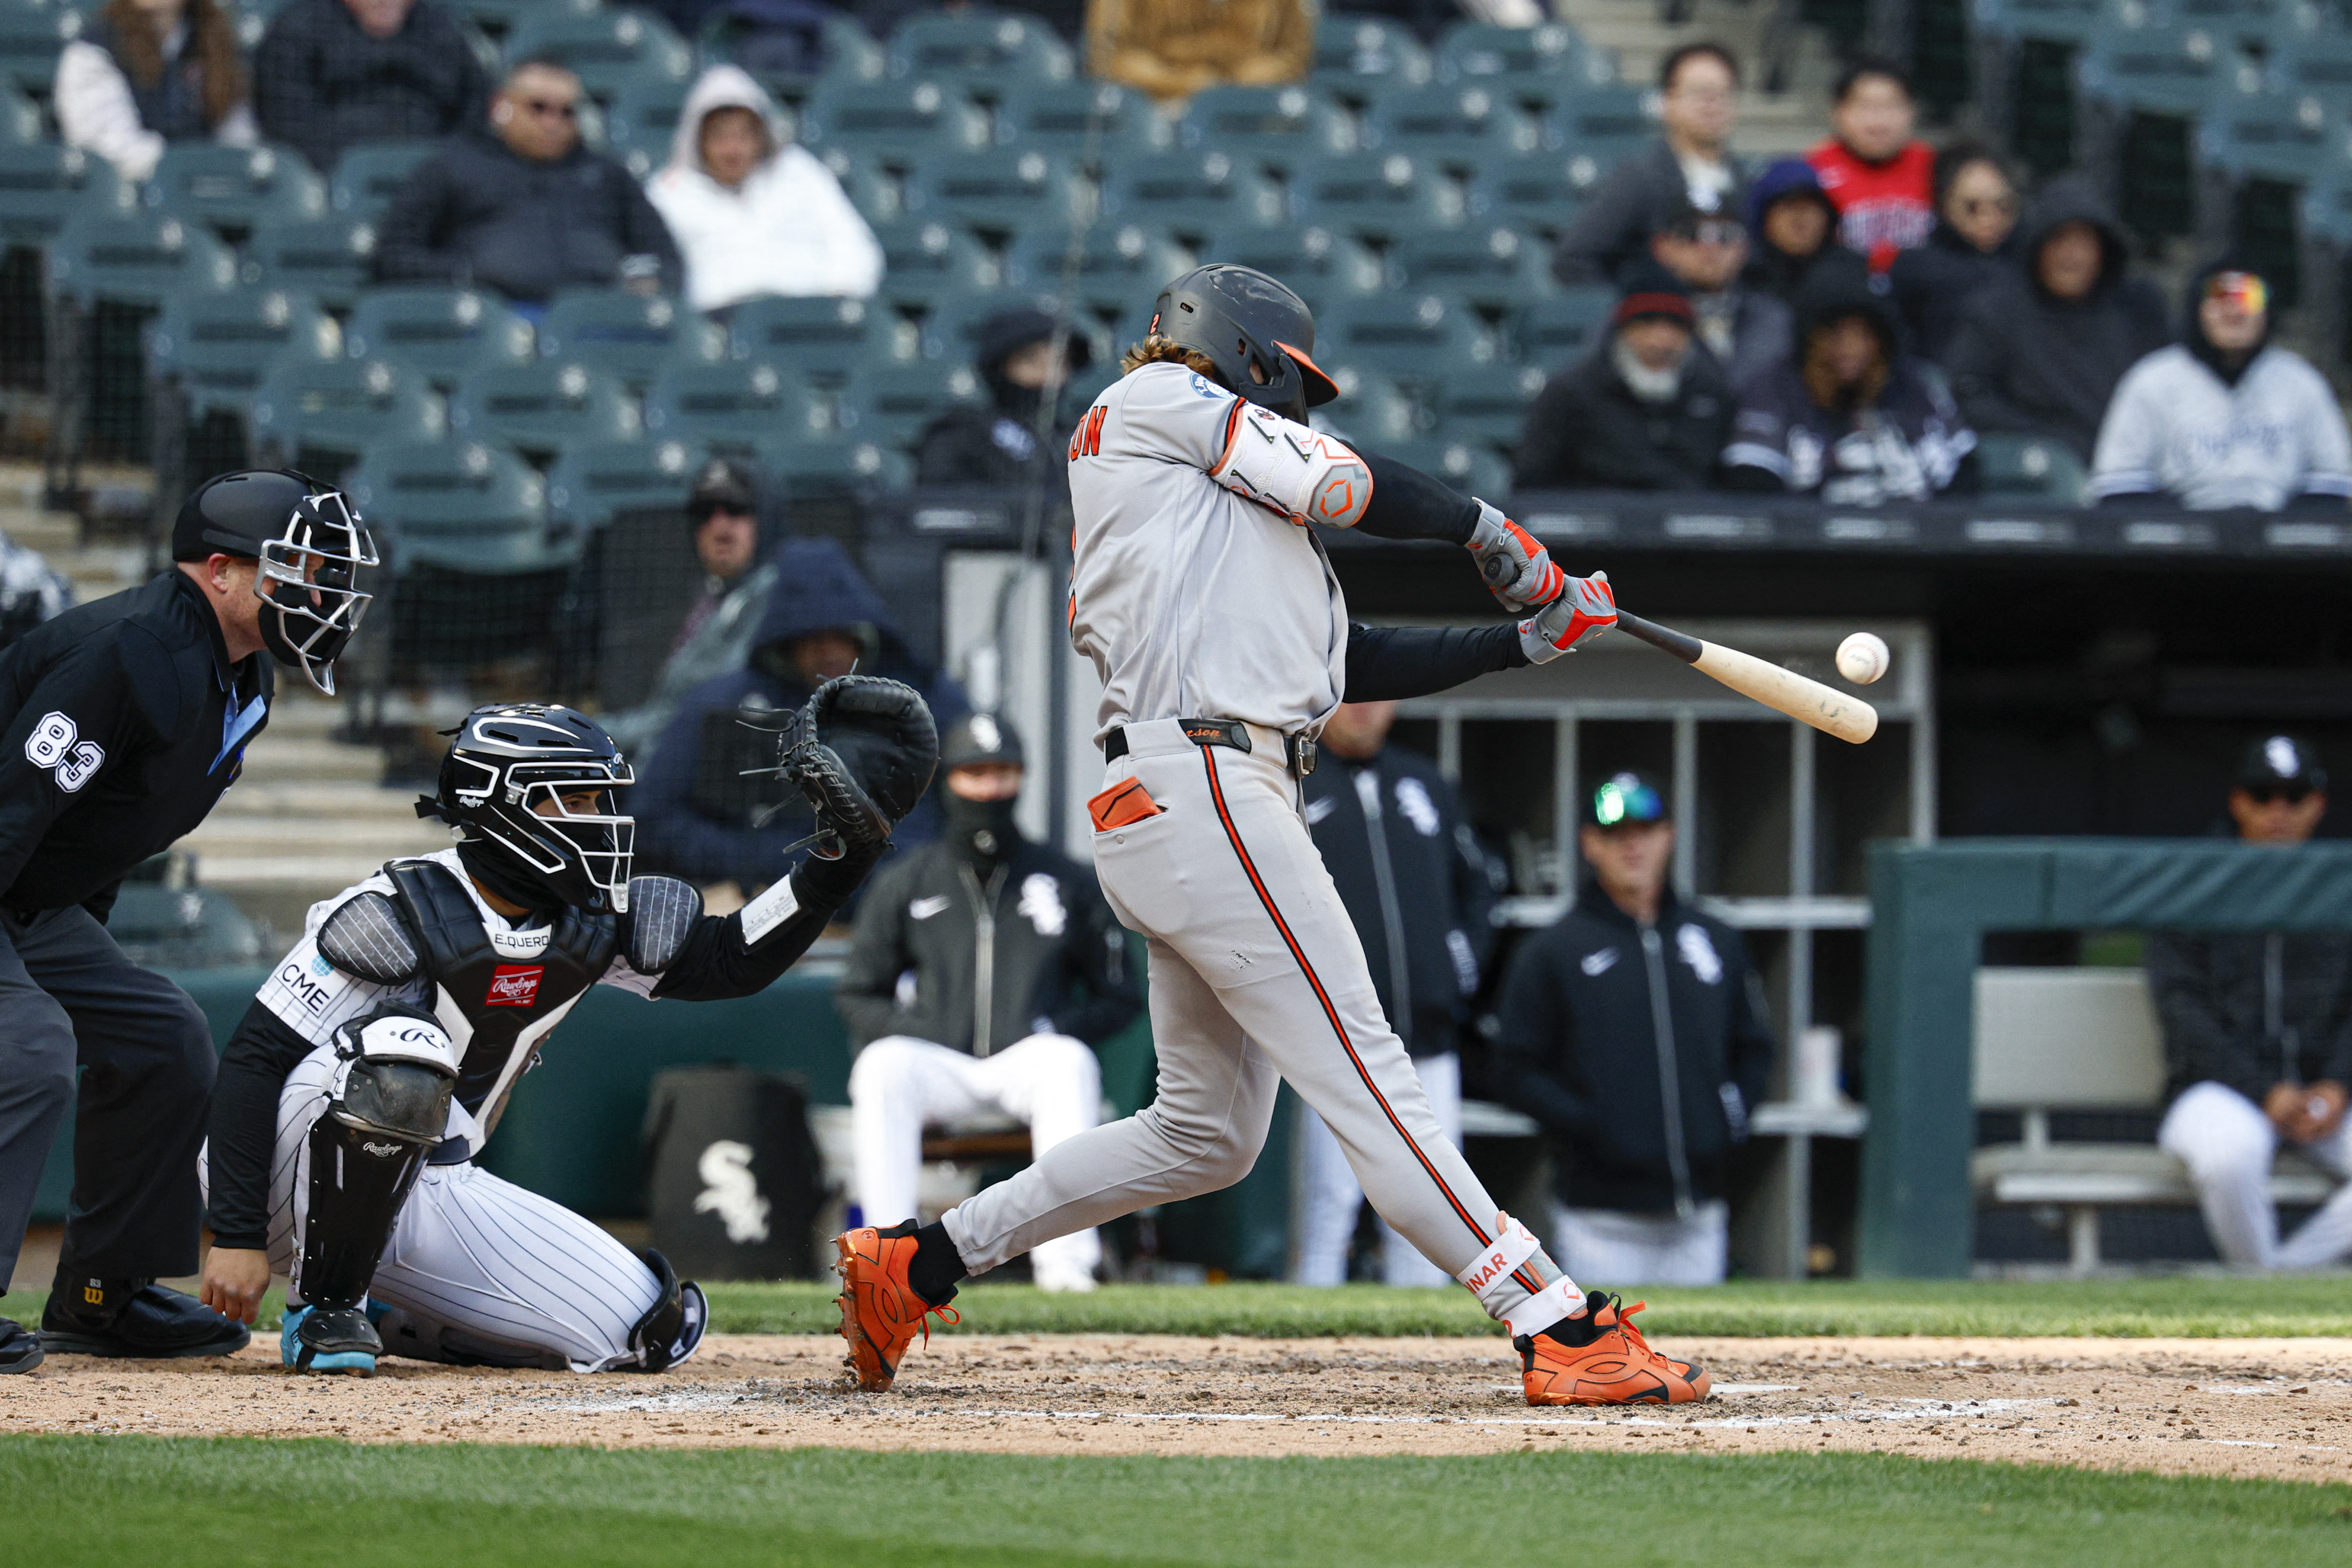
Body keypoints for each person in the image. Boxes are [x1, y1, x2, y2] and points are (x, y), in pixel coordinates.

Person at [834, 261, 1715, 1410]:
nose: (1296, 402)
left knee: (1203, 1137)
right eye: (1288, 378)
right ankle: (1556, 1320)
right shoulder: (1157, 405)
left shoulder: (1227, 517)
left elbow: (1347, 668)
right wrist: (1489, 532)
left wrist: (1526, 641)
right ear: (1238, 351)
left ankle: (920, 1263)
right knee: (1367, 1070)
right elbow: (1353, 489)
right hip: (1203, 780)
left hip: (1196, 791)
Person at [199, 700, 912, 1373]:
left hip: (431, 1186)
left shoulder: (593, 915)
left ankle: (388, 1311)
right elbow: (255, 1061)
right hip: (284, 1181)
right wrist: (233, 1235)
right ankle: (323, 1310)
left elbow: (732, 958)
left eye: (599, 799)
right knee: (405, 1050)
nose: (598, 818)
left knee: (645, 1330)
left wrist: (836, 864)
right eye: (572, 800)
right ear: (498, 803)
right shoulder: (393, 910)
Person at [0, 470, 376, 1375]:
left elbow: (99, 834)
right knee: (29, 1048)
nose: (320, 594)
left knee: (163, 1037)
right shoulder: (130, 650)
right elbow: (15, 806)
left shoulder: (241, 675)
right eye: (298, 570)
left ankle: (103, 1295)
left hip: (28, 900)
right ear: (219, 570)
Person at [837, 714, 1140, 1294]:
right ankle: (885, 1265)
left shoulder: (1065, 878)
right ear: (949, 781)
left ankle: (1066, 1268)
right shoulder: (909, 879)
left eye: (1002, 773)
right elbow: (858, 992)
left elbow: (1119, 993)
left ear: (1021, 778)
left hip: (1025, 1058)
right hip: (939, 1061)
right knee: (881, 1066)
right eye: (975, 774)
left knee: (1067, 1061)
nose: (989, 789)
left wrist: (1052, 1025)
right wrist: (917, 1026)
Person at [1492, 773, 1774, 1286]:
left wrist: (1727, 1118)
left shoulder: (1714, 939)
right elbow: (1514, 1068)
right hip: (1599, 1217)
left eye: (1645, 830)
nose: (1632, 845)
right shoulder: (1553, 951)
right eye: (1615, 833)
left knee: (1698, 1355)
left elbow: (1754, 1046)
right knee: (1611, 1358)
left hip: (1701, 1211)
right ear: (1589, 843)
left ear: (1668, 835)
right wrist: (1590, 1124)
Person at [1292, 699, 1495, 1288]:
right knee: (1330, 1201)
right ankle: (1306, 1360)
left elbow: (1479, 885)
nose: (1364, 709)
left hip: (1428, 1039)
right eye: (1350, 694)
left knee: (1437, 1199)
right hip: (1335, 1043)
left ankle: (1420, 1355)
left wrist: (1459, 969)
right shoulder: (1294, 785)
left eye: (1378, 694)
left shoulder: (1424, 782)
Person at [633, 536, 967, 894]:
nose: (827, 651)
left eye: (840, 633)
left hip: (897, 899)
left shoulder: (922, 700)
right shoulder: (726, 704)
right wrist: (758, 860)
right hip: (762, 901)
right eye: (810, 637)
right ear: (786, 640)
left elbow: (968, 799)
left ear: (863, 630)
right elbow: (653, 814)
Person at [2147, 735, 2352, 1271]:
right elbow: (2182, 1011)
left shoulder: (2342, 887)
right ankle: (2267, 1281)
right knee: (2229, 1156)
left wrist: (2339, 1084)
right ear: (2239, 802)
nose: (2278, 811)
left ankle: (2275, 1282)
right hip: (2219, 1092)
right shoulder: (2193, 888)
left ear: (2318, 805)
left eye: (2295, 795)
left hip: (2324, 1097)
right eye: (2264, 796)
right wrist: (2264, 1090)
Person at [373, 58, 682, 305]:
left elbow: (665, 258)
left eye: (567, 112)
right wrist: (468, 275)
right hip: (492, 319)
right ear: (500, 106)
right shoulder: (452, 165)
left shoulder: (608, 175)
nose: (553, 123)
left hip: (597, 322)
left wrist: (640, 284)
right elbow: (394, 255)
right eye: (538, 107)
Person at [2090, 264, 2352, 512]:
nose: (2234, 312)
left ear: (2268, 311)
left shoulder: (2302, 381)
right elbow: (2119, 486)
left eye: (2248, 299)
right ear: (2197, 309)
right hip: (2178, 552)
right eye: (2220, 299)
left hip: (2282, 548)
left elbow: (2333, 483)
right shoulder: (2151, 380)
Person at [1943, 174, 2169, 461]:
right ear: (2037, 246)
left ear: (2104, 248)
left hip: (2138, 465)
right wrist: (2051, 440)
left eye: (2084, 240)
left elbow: (2169, 389)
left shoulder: (2138, 307)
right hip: (2041, 473)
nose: (2071, 254)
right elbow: (1968, 396)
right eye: (2059, 240)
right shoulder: (1996, 311)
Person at [1720, 258, 1978, 503]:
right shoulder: (1777, 387)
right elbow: (1751, 481)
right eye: (1836, 334)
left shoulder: (1916, 386)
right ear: (1811, 338)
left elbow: (1966, 472)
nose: (1852, 349)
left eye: (1865, 335)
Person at [644, 64, 883, 314]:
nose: (733, 150)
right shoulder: (669, 192)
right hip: (718, 322)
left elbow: (853, 246)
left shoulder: (799, 172)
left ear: (762, 136)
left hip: (805, 317)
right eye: (720, 137)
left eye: (743, 136)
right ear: (699, 140)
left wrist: (834, 304)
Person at [601, 459, 778, 758]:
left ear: (765, 520)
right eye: (705, 515)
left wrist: (597, 734)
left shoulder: (774, 596)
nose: (719, 528)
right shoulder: (710, 598)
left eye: (736, 510)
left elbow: (702, 710)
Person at [1515, 270, 1734, 491]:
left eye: (1676, 326)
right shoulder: (1570, 394)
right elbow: (1533, 483)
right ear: (1623, 330)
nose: (1662, 341)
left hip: (1692, 518)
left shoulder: (1713, 393)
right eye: (1647, 324)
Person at [1553, 43, 1747, 287]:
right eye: (1699, 92)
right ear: (1667, 101)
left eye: (1722, 93)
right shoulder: (1639, 177)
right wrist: (1631, 315)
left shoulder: (1742, 178)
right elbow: (1574, 258)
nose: (1711, 104)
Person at [252, 0, 490, 178]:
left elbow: (473, 118)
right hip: (331, 182)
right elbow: (288, 127)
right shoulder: (298, 29)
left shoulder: (441, 29)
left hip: (434, 183)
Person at [55, 0, 256, 185]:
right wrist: (193, 172)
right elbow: (114, 154)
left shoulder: (211, 38)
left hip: (210, 199)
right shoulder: (93, 50)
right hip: (130, 205)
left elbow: (237, 142)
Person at [915, 306, 1094, 490]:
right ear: (999, 368)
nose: (1048, 377)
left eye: (1060, 363)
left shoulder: (1078, 440)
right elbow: (939, 505)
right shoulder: (960, 433)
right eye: (1031, 361)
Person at [1887, 144, 2022, 364]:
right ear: (1944, 205)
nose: (1989, 219)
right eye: (1972, 207)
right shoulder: (1915, 268)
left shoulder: (2034, 259)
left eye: (2002, 206)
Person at [1806, 57, 1935, 273]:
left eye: (1892, 107)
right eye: (1865, 107)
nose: (1879, 123)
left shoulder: (1936, 167)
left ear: (1912, 112)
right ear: (1837, 113)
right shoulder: (1812, 171)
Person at [1647, 202, 1786, 391]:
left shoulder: (1775, 321)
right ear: (1661, 246)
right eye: (1689, 233)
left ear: (1746, 247)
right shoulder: (1636, 319)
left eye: (1728, 234)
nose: (1710, 247)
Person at [1085, 0, 1313, 105]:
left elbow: (1293, 56)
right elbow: (1107, 57)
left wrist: (1233, 83)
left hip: (1248, 107)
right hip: (1158, 106)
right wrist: (1180, 83)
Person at [1740, 157, 1843, 308]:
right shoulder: (1743, 279)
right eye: (1789, 207)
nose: (1799, 219)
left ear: (1828, 218)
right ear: (1765, 220)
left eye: (1809, 207)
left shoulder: (1847, 275)